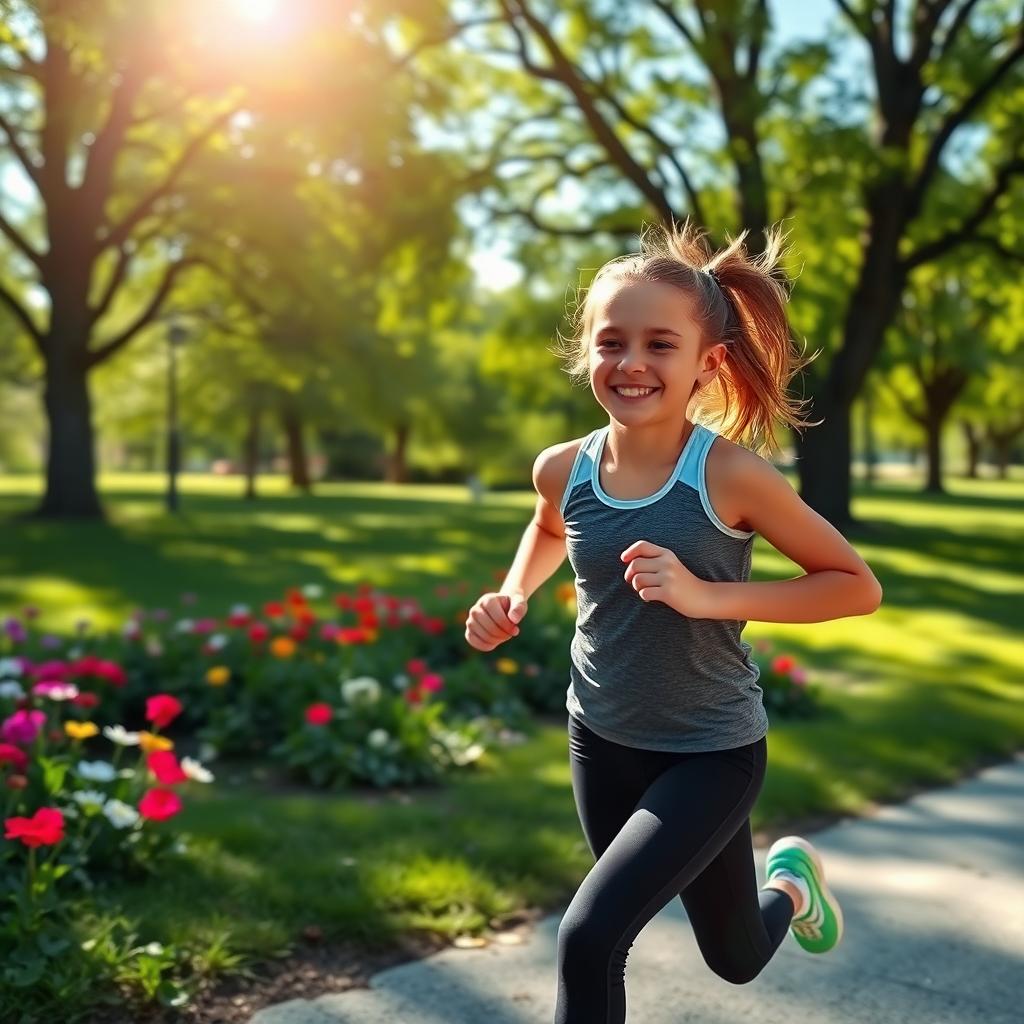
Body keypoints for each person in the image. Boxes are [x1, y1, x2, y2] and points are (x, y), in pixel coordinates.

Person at [463, 218, 883, 1023]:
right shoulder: (564, 467)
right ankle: (791, 886)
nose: (632, 363)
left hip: (710, 752)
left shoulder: (729, 475)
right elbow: (551, 528)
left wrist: (707, 595)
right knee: (733, 957)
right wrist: (513, 593)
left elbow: (853, 585)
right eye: (612, 341)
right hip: (602, 738)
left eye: (660, 344)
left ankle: (785, 881)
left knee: (589, 938)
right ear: (587, 351)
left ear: (706, 364)